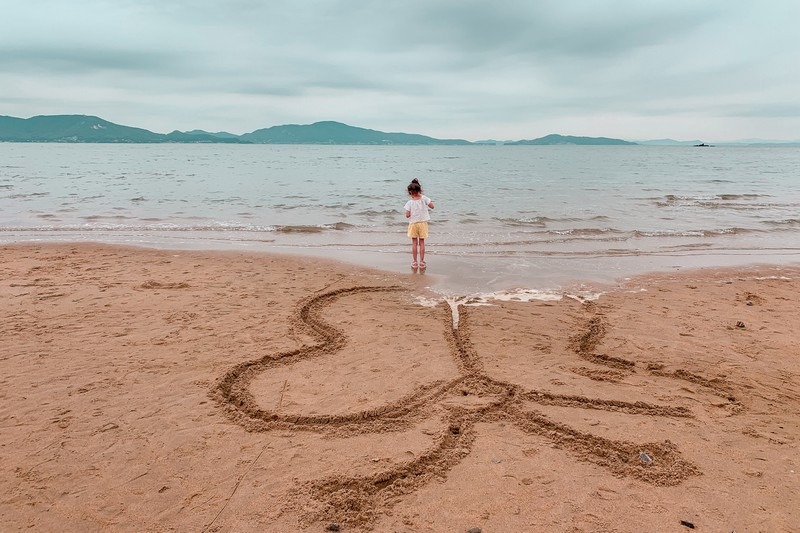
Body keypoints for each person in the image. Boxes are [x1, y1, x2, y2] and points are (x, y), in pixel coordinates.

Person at [404, 178, 435, 269]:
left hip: (413, 224)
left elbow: (407, 215)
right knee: (422, 242)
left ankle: (414, 262)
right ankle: (421, 262)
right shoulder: (424, 198)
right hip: (422, 224)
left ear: (409, 192)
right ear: (420, 190)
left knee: (414, 243)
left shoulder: (409, 202)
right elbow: (432, 206)